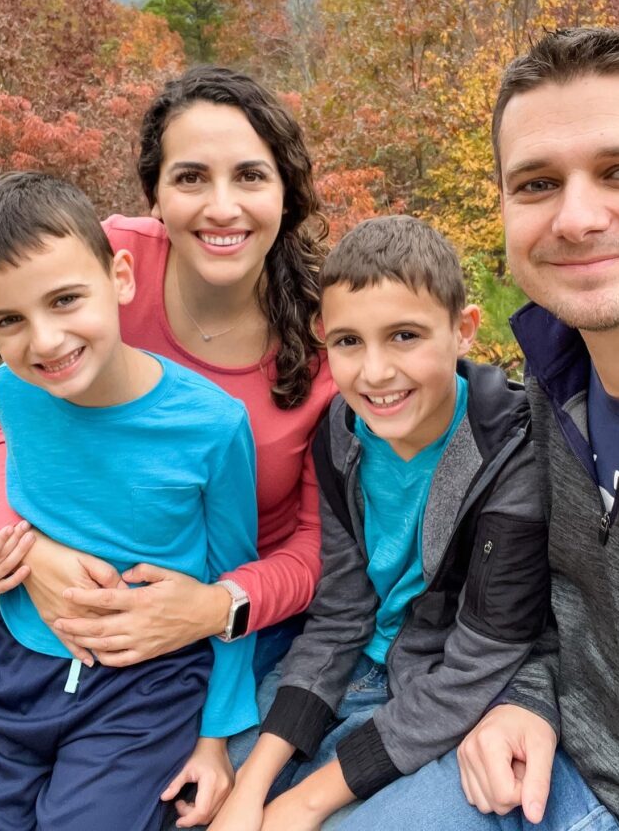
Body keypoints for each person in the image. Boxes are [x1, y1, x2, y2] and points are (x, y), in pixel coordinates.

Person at [336, 28, 619, 831]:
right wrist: (525, 697)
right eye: (535, 183)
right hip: (557, 773)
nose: (577, 217)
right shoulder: (540, 401)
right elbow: (546, 605)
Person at [0, 65, 336, 829]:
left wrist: (216, 609)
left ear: (286, 188)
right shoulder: (85, 263)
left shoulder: (329, 339)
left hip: (204, 638)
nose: (221, 206)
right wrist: (29, 552)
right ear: (153, 196)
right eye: (189, 177)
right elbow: (5, 425)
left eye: (250, 175)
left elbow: (322, 540)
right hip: (35, 637)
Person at [0, 172, 259, 831]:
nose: (45, 340)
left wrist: (215, 737)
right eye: (9, 320)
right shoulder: (13, 393)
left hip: (143, 692)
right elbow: (18, 520)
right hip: (11, 671)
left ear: (120, 278)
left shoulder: (211, 425)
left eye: (65, 300)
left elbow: (230, 574)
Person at [206, 215, 549, 831]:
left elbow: (478, 662)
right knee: (213, 800)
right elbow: (340, 613)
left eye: (405, 336)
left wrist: (300, 804)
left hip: (443, 691)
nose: (376, 373)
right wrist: (252, 788)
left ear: (463, 330)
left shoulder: (511, 455)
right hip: (352, 666)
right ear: (323, 340)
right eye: (349, 342)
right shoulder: (339, 434)